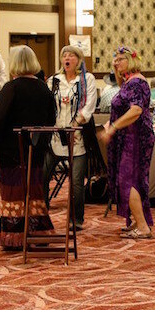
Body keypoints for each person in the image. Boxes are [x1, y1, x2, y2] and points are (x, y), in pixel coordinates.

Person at [0, 45, 56, 249]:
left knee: (12, 192)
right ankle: (39, 231)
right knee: (34, 190)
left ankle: (14, 236)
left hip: (12, 149)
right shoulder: (43, 87)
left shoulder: (12, 87)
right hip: (36, 148)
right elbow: (51, 118)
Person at [100, 46, 155, 240]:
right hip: (131, 136)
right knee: (134, 180)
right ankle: (139, 221)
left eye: (121, 59)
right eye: (114, 59)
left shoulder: (135, 83)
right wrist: (111, 122)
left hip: (136, 137)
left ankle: (143, 226)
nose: (116, 62)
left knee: (127, 180)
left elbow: (136, 110)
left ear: (131, 61)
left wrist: (114, 126)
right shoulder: (129, 82)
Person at [44, 45, 97, 231]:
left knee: (76, 182)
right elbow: (47, 105)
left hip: (78, 137)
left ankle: (76, 219)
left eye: (71, 55)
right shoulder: (53, 81)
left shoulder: (86, 79)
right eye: (64, 55)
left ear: (78, 60)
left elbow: (89, 106)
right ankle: (41, 215)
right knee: (42, 175)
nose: (67, 58)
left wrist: (75, 125)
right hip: (56, 137)